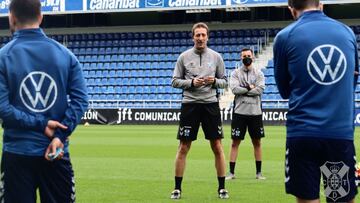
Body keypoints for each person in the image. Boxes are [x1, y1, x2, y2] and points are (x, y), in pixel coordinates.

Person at [0, 0, 88, 202]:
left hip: (17, 155)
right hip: (55, 152)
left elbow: (3, 108)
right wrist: (59, 135)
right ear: (41, 17)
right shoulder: (66, 55)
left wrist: (41, 124)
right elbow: (81, 100)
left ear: (11, 17)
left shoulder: (3, 57)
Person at [273, 0, 358, 202]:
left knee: (307, 198)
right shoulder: (347, 32)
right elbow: (351, 79)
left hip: (302, 133)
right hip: (339, 134)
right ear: (321, 5)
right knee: (341, 198)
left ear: (291, 9)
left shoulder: (284, 37)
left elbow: (284, 91)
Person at [170, 22, 229, 199]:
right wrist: (191, 83)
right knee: (183, 147)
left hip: (210, 105)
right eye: (198, 35)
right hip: (190, 105)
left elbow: (225, 81)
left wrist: (214, 82)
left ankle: (222, 188)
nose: (201, 38)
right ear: (193, 36)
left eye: (203, 35)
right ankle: (177, 188)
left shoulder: (216, 57)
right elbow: (174, 81)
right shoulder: (183, 57)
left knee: (217, 146)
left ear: (208, 37)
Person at [226, 48, 266, 181]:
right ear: (241, 58)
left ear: (253, 57)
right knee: (234, 143)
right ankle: (231, 173)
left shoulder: (259, 73)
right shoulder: (235, 73)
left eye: (248, 55)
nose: (246, 58)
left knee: (257, 142)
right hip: (239, 112)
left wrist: (244, 90)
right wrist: (250, 87)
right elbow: (234, 89)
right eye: (244, 56)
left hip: (255, 113)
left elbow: (260, 90)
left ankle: (259, 173)